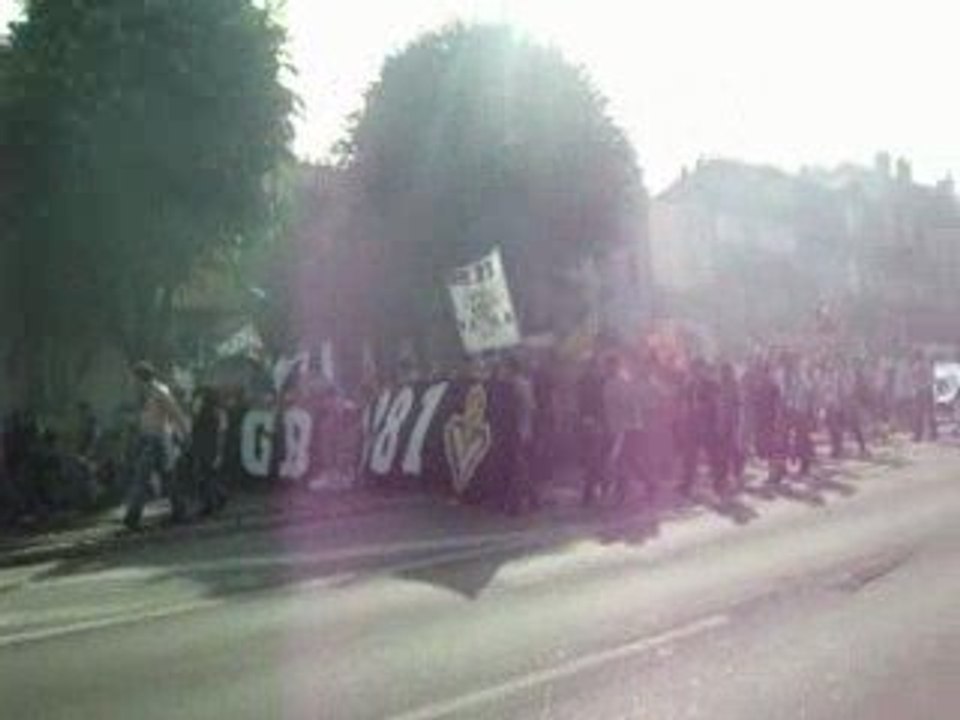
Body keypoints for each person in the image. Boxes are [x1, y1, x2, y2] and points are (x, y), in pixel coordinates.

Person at [124, 361, 191, 530]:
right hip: (147, 438)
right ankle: (180, 511)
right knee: (168, 478)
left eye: (134, 378)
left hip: (157, 440)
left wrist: (185, 434)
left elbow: (175, 412)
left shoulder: (159, 391)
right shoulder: (144, 393)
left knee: (141, 478)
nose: (132, 382)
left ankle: (132, 517)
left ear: (141, 377)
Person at [677, 359, 723, 499]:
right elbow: (685, 403)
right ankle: (687, 484)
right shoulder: (689, 385)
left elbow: (717, 404)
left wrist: (716, 423)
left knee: (713, 456)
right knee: (690, 457)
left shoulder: (712, 384)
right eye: (694, 369)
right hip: (692, 426)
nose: (696, 372)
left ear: (703, 369)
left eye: (698, 369)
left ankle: (718, 483)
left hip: (708, 426)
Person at [190, 387, 228, 517]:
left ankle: (211, 505)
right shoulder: (217, 413)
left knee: (207, 478)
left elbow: (221, 435)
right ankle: (215, 500)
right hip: (205, 448)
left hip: (207, 449)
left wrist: (219, 454)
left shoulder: (216, 413)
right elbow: (221, 434)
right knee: (206, 478)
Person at [578, 356, 607, 507]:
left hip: (592, 422)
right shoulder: (598, 380)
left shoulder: (586, 380)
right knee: (594, 457)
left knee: (593, 457)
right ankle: (595, 488)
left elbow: (582, 403)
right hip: (595, 422)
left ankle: (591, 490)